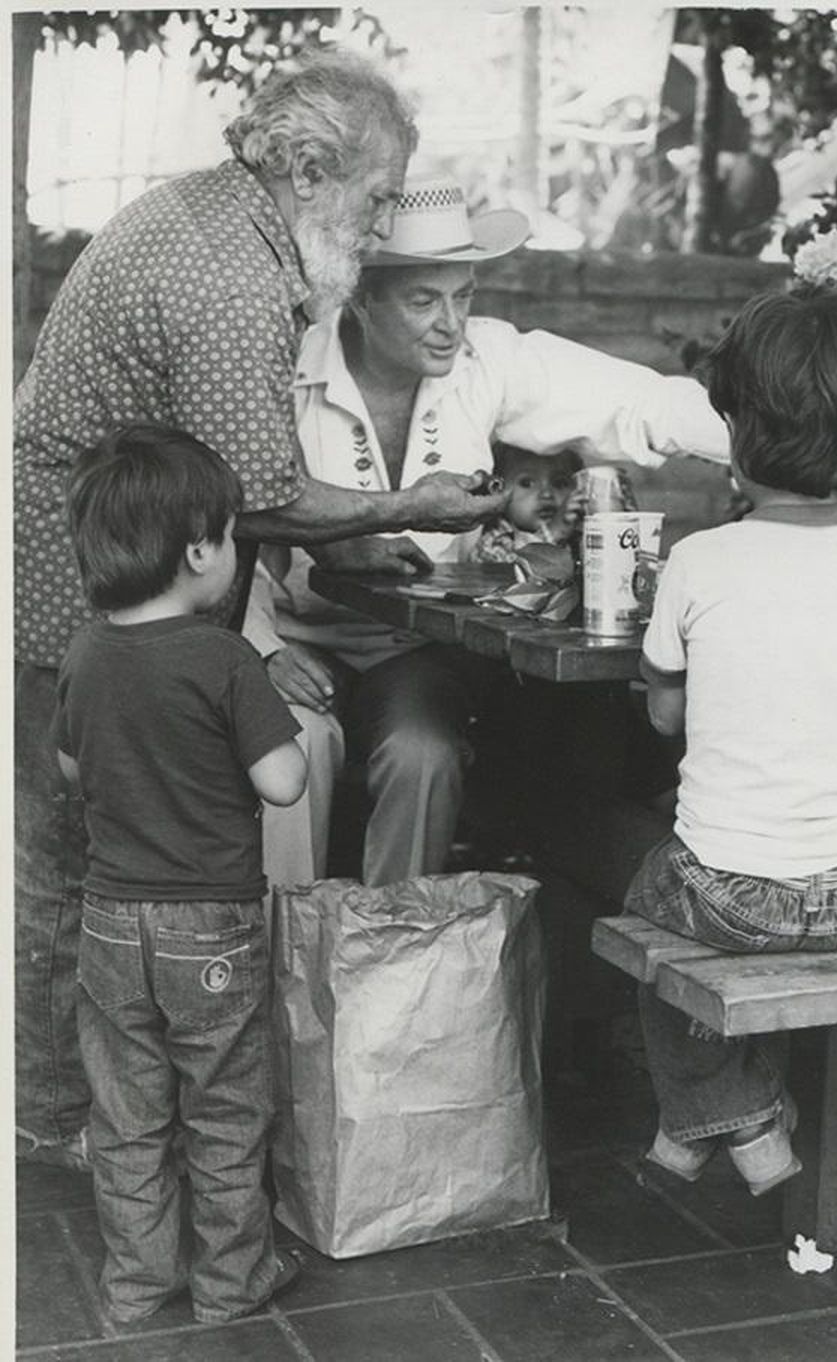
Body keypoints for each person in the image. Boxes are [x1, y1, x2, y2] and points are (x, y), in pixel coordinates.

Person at [14, 52, 508, 1166]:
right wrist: (410, 504)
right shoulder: (232, 276)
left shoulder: (215, 218)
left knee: (82, 847)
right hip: (75, 582)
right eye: (378, 196)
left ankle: (84, 1101)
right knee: (70, 856)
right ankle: (57, 1115)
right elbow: (264, 496)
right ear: (306, 168)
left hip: (93, 570)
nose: (380, 226)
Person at [243, 172, 730, 890]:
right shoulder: (284, 367)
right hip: (290, 638)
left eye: (463, 295)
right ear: (360, 297)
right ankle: (283, 957)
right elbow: (237, 523)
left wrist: (771, 442)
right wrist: (261, 652)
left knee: (425, 753)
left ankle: (393, 955)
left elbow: (639, 405)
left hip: (409, 655)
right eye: (423, 299)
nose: (451, 322)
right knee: (295, 748)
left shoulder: (486, 359)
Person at [626, 286, 837, 1196]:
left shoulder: (699, 560)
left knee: (642, 903)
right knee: (696, 907)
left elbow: (664, 717)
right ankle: (713, 1125)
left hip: (729, 898)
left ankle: (732, 1118)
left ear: (737, 433)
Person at [54, 426, 307, 1324]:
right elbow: (285, 783)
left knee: (127, 1112)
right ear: (199, 550)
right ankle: (232, 1280)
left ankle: (136, 1282)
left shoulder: (85, 654)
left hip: (111, 923)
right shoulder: (224, 657)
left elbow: (76, 775)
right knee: (226, 1107)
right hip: (211, 930)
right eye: (231, 535)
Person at [471, 443, 585, 563]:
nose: (547, 494)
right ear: (498, 492)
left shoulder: (579, 534)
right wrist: (554, 532)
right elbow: (518, 575)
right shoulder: (495, 542)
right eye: (527, 483)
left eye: (560, 483)